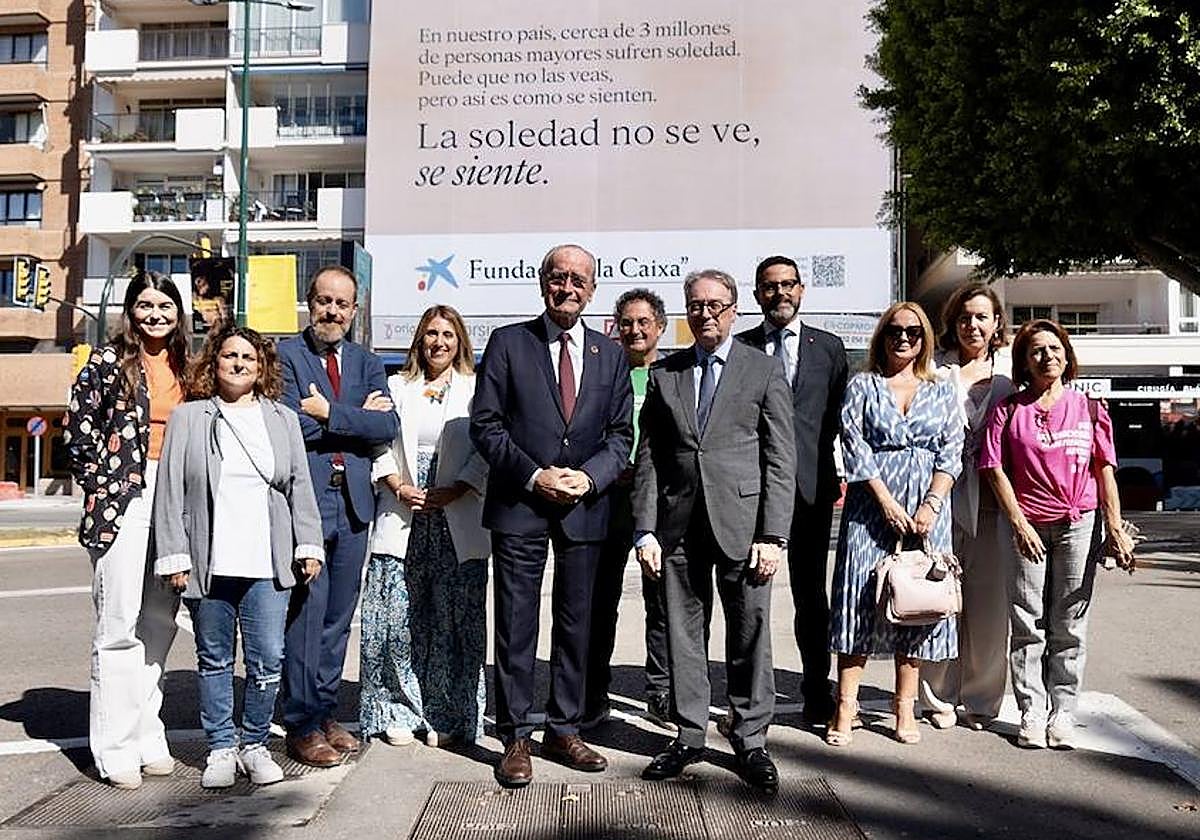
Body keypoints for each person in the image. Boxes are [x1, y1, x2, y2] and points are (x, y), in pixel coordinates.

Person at [470, 244, 633, 788]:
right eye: (558, 277)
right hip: (521, 504)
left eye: (579, 279)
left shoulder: (610, 355)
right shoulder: (508, 343)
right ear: (543, 282)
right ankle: (515, 734)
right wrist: (535, 474)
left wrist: (588, 477)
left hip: (586, 509)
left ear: (593, 288)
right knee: (516, 624)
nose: (567, 287)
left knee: (577, 625)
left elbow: (619, 436)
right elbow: (486, 426)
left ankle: (564, 728)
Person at [633, 269, 796, 794]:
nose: (705, 313)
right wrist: (645, 530)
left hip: (745, 528)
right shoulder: (666, 372)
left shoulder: (763, 370)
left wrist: (774, 535)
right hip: (678, 528)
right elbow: (650, 457)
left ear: (734, 310)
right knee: (682, 634)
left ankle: (751, 740)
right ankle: (688, 734)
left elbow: (779, 457)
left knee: (750, 635)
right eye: (695, 305)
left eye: (715, 305)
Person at [153, 324, 324, 788]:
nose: (239, 363)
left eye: (249, 357)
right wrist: (174, 554)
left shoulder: (282, 419)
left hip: (267, 560)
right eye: (230, 355)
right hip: (210, 559)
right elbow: (169, 491)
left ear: (262, 366)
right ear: (215, 362)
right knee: (214, 659)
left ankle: (255, 744)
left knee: (268, 658)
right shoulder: (189, 417)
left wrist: (308, 543)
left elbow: (300, 487)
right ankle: (221, 747)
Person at [979, 319, 1134, 749]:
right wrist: (1018, 522)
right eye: (1036, 351)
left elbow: (1104, 471)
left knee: (1069, 622)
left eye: (1053, 348)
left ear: (1067, 356)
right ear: (1024, 362)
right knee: (1027, 620)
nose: (1046, 356)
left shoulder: (1090, 409)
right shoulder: (1008, 410)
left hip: (1079, 523)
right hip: (1026, 524)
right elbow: (994, 469)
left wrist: (1115, 528)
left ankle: (1063, 712)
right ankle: (1030, 710)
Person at [63, 272, 189, 790]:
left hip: (176, 496)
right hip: (125, 496)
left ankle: (146, 734)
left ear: (178, 312)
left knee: (160, 620)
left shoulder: (189, 366)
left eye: (164, 305)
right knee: (118, 623)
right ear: (130, 310)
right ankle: (113, 748)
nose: (155, 313)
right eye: (145, 304)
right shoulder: (106, 363)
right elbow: (77, 433)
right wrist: (106, 486)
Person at [276, 265, 399, 767]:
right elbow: (288, 425)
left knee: (337, 618)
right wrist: (355, 418)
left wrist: (327, 412)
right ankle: (300, 723)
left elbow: (386, 424)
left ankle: (325, 712)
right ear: (310, 302)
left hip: (353, 502)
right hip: (306, 501)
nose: (332, 311)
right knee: (306, 615)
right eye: (324, 300)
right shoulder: (285, 355)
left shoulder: (369, 362)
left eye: (342, 304)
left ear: (354, 310)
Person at [827, 302, 964, 747]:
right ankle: (846, 704)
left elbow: (951, 451)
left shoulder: (942, 390)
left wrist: (932, 505)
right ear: (881, 336)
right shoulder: (862, 385)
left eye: (913, 332)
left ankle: (904, 707)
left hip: (927, 511)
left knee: (916, 602)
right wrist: (885, 502)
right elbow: (855, 447)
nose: (903, 338)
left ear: (925, 340)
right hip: (871, 507)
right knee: (858, 600)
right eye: (894, 331)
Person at [361, 305, 490, 747]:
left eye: (448, 335)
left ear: (460, 343)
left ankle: (450, 713)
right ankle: (397, 709)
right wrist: (396, 483)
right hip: (404, 511)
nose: (439, 342)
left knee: (455, 619)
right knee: (399, 617)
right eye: (432, 333)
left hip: (457, 509)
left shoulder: (478, 389)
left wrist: (458, 487)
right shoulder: (396, 386)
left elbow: (489, 446)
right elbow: (375, 439)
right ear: (420, 339)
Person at [736, 255, 848, 726]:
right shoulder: (739, 347)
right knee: (747, 598)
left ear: (801, 290)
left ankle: (815, 688)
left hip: (809, 489)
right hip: (748, 491)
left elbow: (841, 418)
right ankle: (749, 695)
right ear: (757, 293)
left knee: (810, 595)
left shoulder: (830, 347)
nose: (779, 293)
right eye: (769, 286)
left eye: (787, 285)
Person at [920, 284, 1015, 731]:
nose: (972, 325)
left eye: (981, 317)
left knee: (990, 606)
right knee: (937, 599)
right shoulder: (935, 369)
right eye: (963, 317)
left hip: (997, 501)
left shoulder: (1013, 372)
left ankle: (980, 700)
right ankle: (937, 697)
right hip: (940, 498)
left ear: (997, 323)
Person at [584, 289, 672, 730]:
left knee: (661, 600)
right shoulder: (605, 373)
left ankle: (660, 691)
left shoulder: (675, 373)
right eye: (627, 323)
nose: (635, 331)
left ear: (660, 326)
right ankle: (593, 691)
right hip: (608, 498)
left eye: (644, 323)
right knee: (602, 600)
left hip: (657, 502)